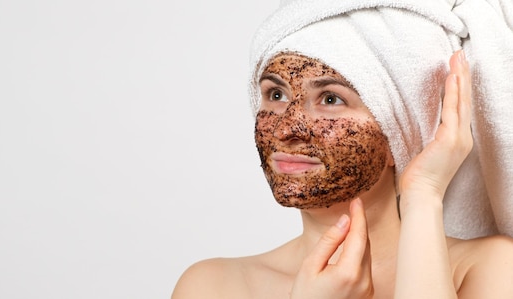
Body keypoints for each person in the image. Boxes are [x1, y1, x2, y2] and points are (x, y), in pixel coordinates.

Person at [173, 0, 513, 298]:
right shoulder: (213, 287)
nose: (287, 128)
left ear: (400, 133)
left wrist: (423, 195)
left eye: (331, 99)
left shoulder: (492, 270)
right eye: (275, 95)